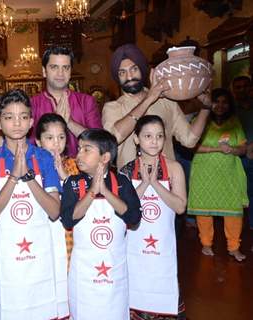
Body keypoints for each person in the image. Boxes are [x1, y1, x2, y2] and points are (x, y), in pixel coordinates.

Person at [0, 89, 63, 319]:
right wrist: (13, 177)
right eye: (9, 117)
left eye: (23, 116)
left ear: (31, 121)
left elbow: (55, 211)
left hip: (40, 256)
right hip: (8, 259)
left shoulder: (44, 158)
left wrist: (28, 178)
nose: (17, 123)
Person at [60, 128, 141, 320]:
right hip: (84, 274)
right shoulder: (72, 183)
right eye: (79, 149)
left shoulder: (121, 182)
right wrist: (91, 193)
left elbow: (134, 218)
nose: (79, 154)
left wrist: (105, 192)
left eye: (87, 150)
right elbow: (68, 219)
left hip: (114, 271)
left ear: (105, 157)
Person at [102, 43, 212, 168]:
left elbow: (189, 140)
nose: (129, 77)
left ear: (142, 70)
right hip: (130, 185)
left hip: (167, 181)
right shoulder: (112, 107)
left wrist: (205, 108)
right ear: (117, 77)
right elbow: (113, 139)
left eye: (134, 69)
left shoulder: (167, 102)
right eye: (122, 73)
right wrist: (149, 99)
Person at [120, 115, 187, 319]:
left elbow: (180, 207)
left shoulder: (174, 168)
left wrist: (156, 184)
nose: (154, 141)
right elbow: (124, 210)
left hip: (163, 247)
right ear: (136, 139)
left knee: (164, 288)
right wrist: (144, 184)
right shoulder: (126, 170)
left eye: (159, 136)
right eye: (148, 136)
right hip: (134, 247)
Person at [187, 88, 248, 262]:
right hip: (204, 174)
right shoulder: (198, 120)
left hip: (229, 175)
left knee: (233, 212)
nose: (220, 106)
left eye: (224, 102)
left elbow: (243, 147)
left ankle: (234, 247)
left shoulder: (235, 122)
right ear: (209, 103)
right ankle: (206, 244)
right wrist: (218, 149)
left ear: (230, 105)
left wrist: (234, 150)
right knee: (204, 210)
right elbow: (191, 146)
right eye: (216, 101)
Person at [34, 112, 76, 317]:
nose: (56, 143)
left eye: (61, 137)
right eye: (49, 138)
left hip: (68, 236)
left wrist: (63, 175)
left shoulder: (75, 165)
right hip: (40, 234)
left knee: (67, 283)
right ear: (38, 141)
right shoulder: (31, 166)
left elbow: (82, 200)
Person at [30, 46, 102, 157]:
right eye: (54, 67)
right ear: (44, 71)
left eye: (66, 68)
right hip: (42, 171)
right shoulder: (32, 104)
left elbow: (100, 143)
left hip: (82, 171)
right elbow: (26, 146)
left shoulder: (87, 102)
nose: (60, 73)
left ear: (70, 71)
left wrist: (69, 122)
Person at [231, 76, 253, 234]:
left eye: (245, 86)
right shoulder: (229, 110)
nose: (242, 90)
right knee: (237, 194)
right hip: (236, 158)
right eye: (238, 87)